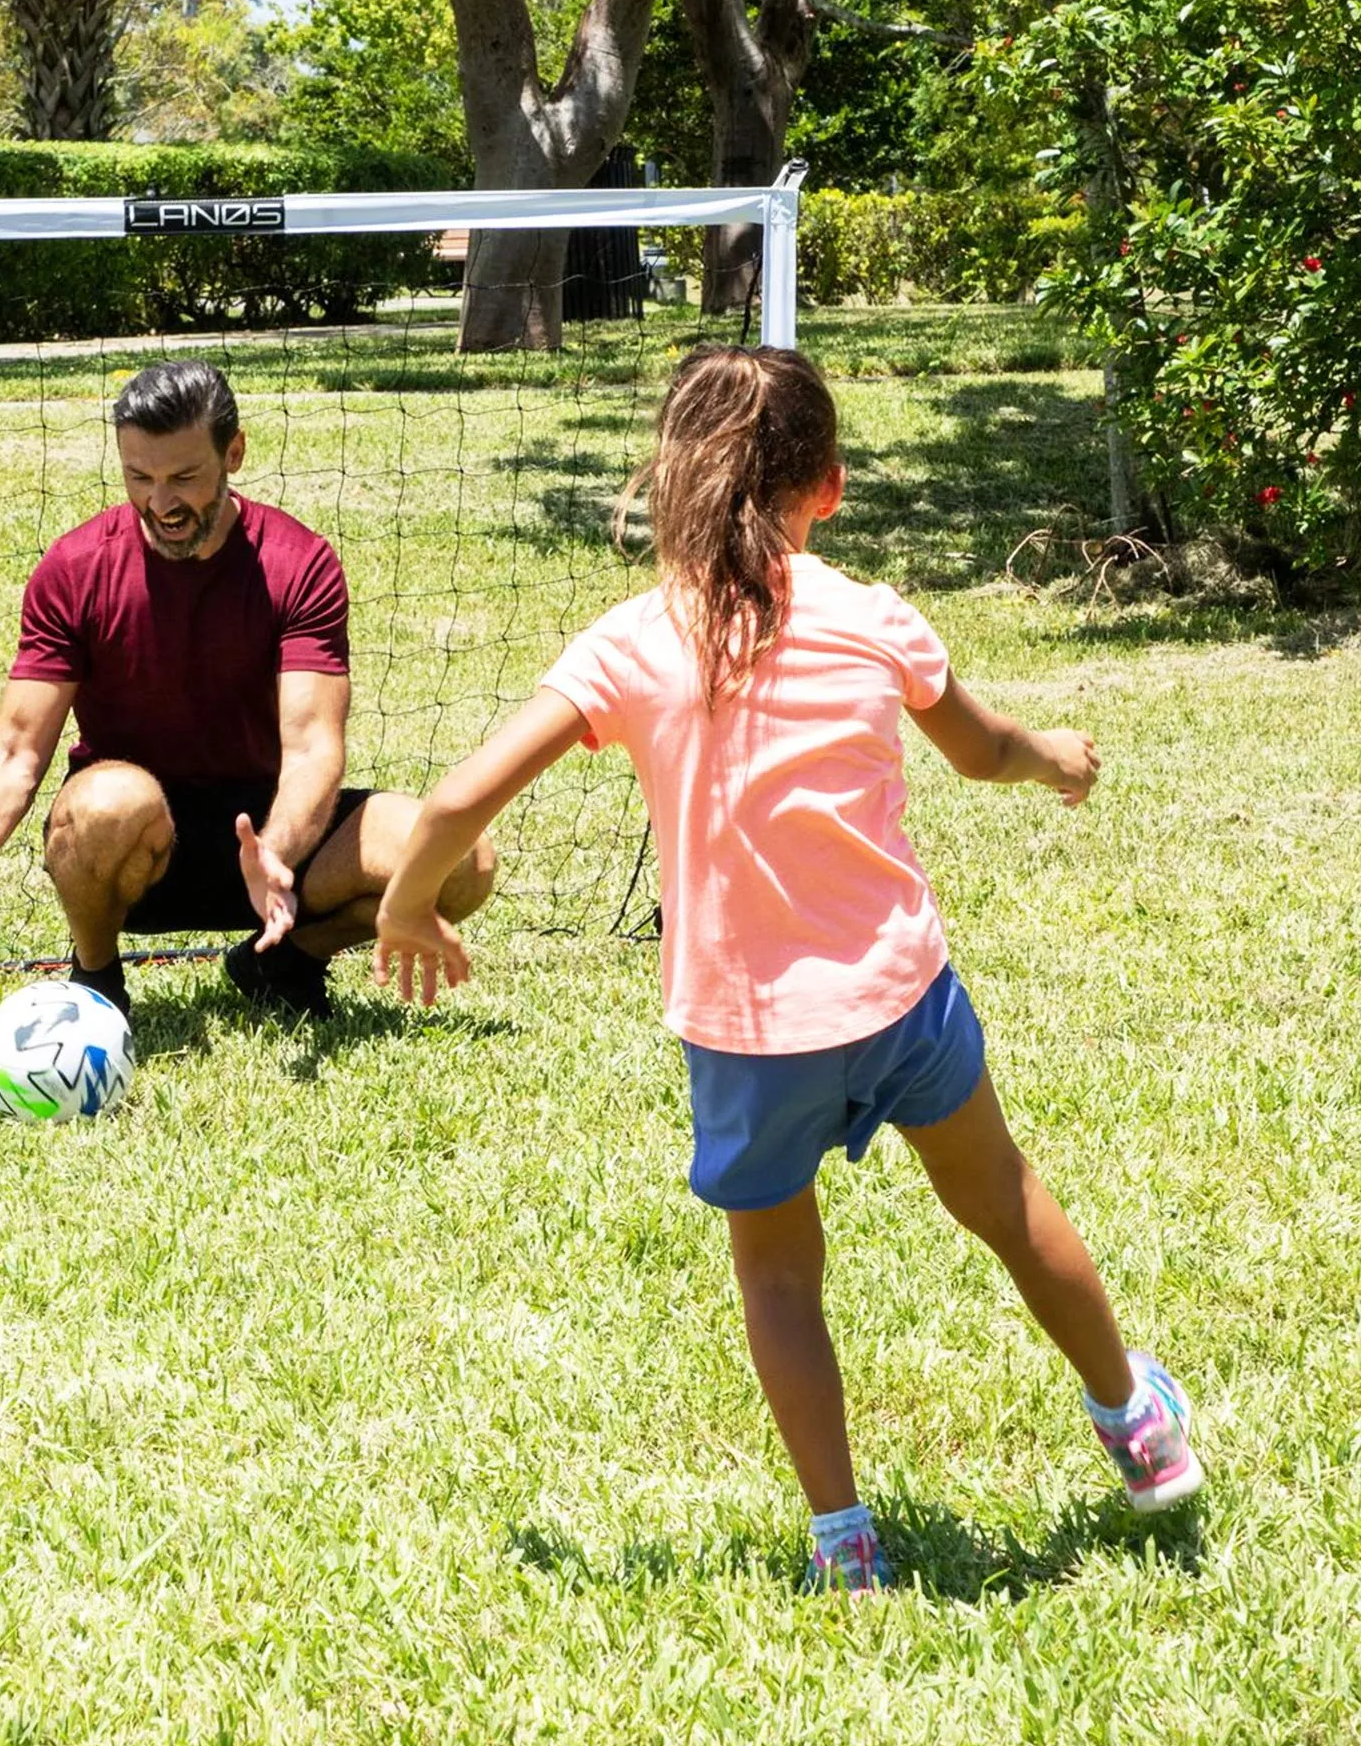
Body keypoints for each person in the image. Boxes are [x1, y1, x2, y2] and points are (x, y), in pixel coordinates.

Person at [371, 344, 1202, 1592]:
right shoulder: (872, 616)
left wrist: (402, 903)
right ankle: (1131, 1419)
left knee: (777, 1272)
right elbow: (982, 751)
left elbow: (450, 798)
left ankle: (844, 1542)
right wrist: (1054, 758)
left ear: (670, 478)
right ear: (831, 484)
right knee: (1006, 1206)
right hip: (899, 999)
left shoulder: (631, 641)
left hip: (749, 1036)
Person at [0, 358, 496, 1021]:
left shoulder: (299, 563)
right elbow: (14, 751)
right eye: (138, 477)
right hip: (135, 852)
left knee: (463, 860)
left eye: (184, 477)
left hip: (269, 841)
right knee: (109, 802)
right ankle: (96, 976)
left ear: (233, 453)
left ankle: (283, 961)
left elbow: (315, 746)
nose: (161, 503)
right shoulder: (75, 567)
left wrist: (277, 853)